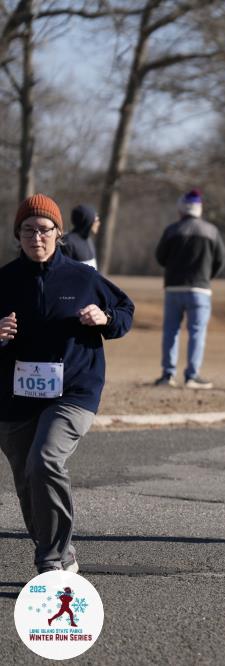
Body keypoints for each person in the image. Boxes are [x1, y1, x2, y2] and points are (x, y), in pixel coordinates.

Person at [0, 194, 134, 574]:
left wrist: (105, 318)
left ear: (59, 233)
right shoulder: (4, 281)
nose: (36, 237)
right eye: (28, 230)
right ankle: (58, 551)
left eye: (44, 229)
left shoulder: (82, 277)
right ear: (18, 235)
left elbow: (125, 311)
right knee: (28, 479)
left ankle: (51, 560)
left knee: (45, 460)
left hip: (73, 391)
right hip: (13, 397)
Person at [153, 189, 225, 389]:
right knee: (197, 333)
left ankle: (168, 375)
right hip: (200, 290)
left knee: (171, 332)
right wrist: (207, 276)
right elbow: (221, 259)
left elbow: (160, 257)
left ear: (182, 209)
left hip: (173, 289)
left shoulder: (172, 230)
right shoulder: (211, 231)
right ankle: (192, 376)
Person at [61, 205, 100, 270]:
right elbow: (63, 270)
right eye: (96, 220)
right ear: (88, 221)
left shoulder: (88, 239)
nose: (98, 223)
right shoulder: (67, 241)